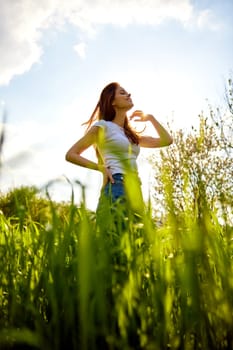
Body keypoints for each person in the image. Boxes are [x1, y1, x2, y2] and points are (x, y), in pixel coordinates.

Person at [65, 82, 173, 213]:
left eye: (127, 92)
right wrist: (100, 168)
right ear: (112, 102)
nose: (128, 95)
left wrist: (151, 118)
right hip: (117, 185)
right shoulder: (103, 126)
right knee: (114, 233)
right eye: (122, 93)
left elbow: (166, 140)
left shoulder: (132, 136)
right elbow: (71, 154)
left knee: (136, 233)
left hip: (136, 189)